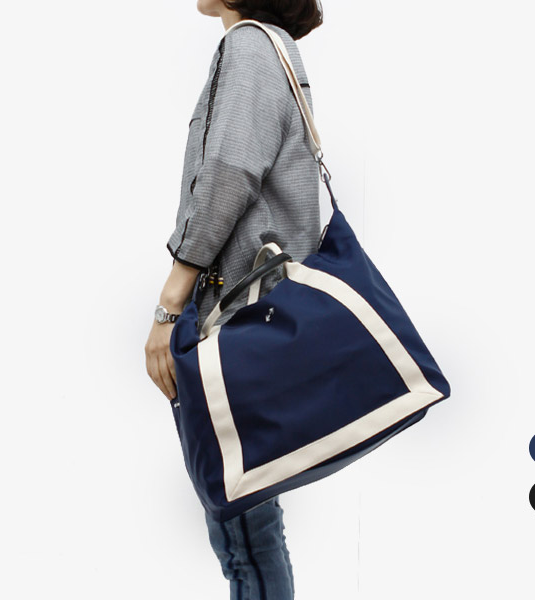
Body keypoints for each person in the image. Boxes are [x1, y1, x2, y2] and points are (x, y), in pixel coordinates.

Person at [144, 1, 324, 598]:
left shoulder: (248, 45)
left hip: (235, 321)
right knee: (254, 528)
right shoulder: (274, 46)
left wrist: (169, 306)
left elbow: (228, 175)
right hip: (265, 315)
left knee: (244, 538)